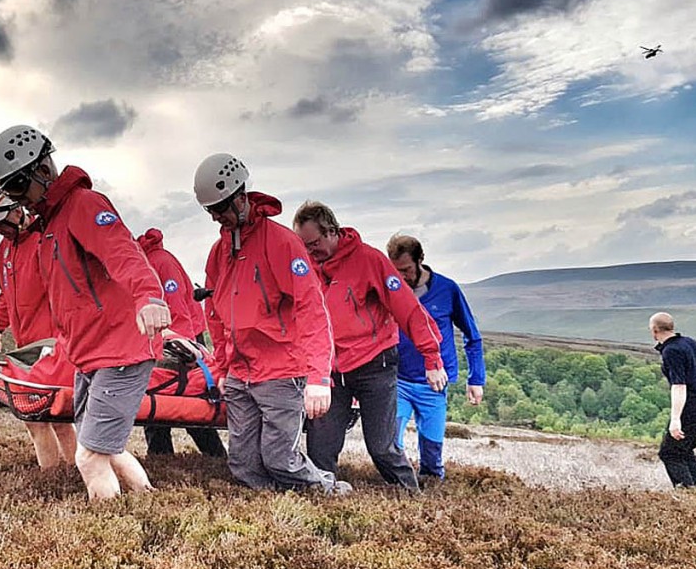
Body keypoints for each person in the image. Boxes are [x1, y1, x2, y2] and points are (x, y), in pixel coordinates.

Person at [0, 125, 171, 500]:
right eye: (11, 193)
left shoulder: (84, 205)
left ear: (42, 171)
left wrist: (149, 296)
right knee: (107, 448)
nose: (19, 202)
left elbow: (123, 252)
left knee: (89, 456)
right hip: (90, 354)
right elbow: (66, 298)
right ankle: (148, 500)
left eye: (19, 189)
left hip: (120, 350)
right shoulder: (50, 226)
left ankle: (112, 533)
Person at [196, 153, 348, 494]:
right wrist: (221, 369)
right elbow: (216, 314)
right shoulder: (218, 252)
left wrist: (318, 377)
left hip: (281, 371)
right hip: (239, 373)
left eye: (220, 209)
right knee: (243, 464)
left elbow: (311, 309)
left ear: (240, 197)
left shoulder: (282, 243)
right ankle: (274, 511)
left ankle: (327, 491)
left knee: (279, 457)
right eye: (210, 212)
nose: (216, 218)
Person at [292, 201, 445, 493]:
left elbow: (408, 310)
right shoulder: (305, 267)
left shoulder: (370, 260)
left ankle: (412, 498)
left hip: (376, 366)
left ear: (332, 232)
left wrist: (432, 358)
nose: (310, 252)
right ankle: (323, 506)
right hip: (330, 372)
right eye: (304, 246)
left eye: (314, 244)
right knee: (320, 447)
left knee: (382, 446)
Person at [0, 178, 78, 469]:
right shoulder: (3, 252)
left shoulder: (45, 241)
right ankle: (56, 474)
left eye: (0, 222)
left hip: (53, 347)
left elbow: (67, 294)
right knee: (36, 419)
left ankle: (72, 471)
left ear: (18, 210)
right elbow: (5, 298)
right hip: (25, 349)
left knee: (54, 416)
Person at [387, 234, 486, 483]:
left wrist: (476, 378)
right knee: (391, 442)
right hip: (397, 379)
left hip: (434, 383)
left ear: (421, 260)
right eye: (396, 270)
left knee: (432, 451)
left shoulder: (447, 289)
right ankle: (397, 488)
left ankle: (431, 488)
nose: (402, 276)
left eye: (407, 269)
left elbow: (472, 335)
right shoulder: (391, 288)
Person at [136, 227, 226, 458]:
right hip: (162, 340)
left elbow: (178, 311)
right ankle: (160, 455)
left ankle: (214, 455)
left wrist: (183, 351)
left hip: (182, 342)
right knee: (158, 395)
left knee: (191, 399)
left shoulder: (160, 263)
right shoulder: (144, 263)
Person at [649, 312, 696, 488]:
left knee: (670, 454)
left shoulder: (671, 351)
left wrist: (675, 420)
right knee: (683, 451)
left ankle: (689, 496)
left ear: (654, 330)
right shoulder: (690, 342)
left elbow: (679, 385)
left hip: (691, 407)